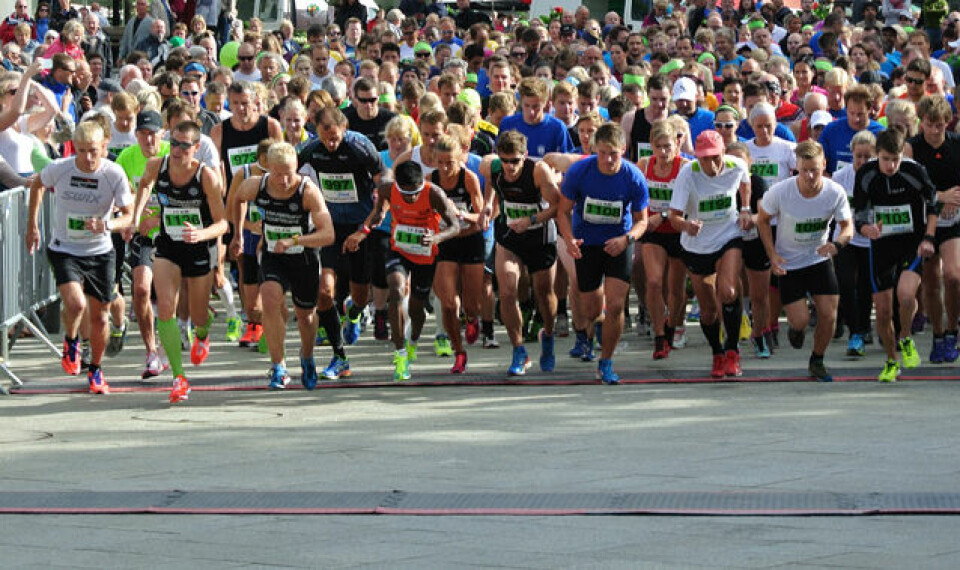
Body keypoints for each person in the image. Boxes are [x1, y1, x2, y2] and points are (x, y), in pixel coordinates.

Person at [26, 121, 132, 395]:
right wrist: (32, 225)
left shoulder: (114, 173)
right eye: (82, 150)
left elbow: (129, 214)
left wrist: (107, 225)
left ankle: (96, 370)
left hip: (100, 252)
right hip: (65, 248)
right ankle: (71, 341)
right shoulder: (62, 168)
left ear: (104, 148)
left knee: (100, 317)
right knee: (75, 304)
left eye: (93, 151)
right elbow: (38, 183)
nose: (87, 158)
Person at [131, 120, 228, 403]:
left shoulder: (206, 176)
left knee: (198, 315)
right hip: (168, 246)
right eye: (174, 143)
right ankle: (178, 377)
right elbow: (145, 187)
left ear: (196, 148)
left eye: (185, 145)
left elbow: (223, 223)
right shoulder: (155, 166)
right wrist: (139, 216)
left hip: (199, 248)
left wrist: (201, 233)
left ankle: (204, 330)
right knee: (166, 310)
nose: (177, 150)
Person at [344, 161, 462, 382]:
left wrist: (436, 238)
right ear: (397, 186)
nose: (411, 199)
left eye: (415, 193)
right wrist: (364, 231)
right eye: (406, 194)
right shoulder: (387, 189)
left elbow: (455, 226)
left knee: (417, 309)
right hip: (399, 249)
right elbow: (378, 213)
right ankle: (399, 355)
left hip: (425, 253)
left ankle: (412, 342)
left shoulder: (434, 193)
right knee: (396, 290)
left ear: (421, 185)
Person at [229, 142, 334, 390]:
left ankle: (307, 357)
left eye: (289, 173)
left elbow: (328, 234)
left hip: (303, 256)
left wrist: (295, 240)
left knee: (305, 316)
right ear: (267, 169)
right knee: (269, 298)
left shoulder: (307, 192)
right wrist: (238, 233)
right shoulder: (256, 185)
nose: (284, 180)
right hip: (273, 254)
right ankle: (278, 366)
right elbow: (238, 199)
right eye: (278, 174)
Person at [298, 106, 386, 379]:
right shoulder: (311, 148)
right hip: (330, 228)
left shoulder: (360, 147)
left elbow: (384, 188)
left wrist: (365, 229)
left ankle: (355, 312)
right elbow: (288, 175)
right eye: (326, 136)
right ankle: (339, 356)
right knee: (324, 292)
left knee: (360, 295)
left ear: (344, 129)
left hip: (360, 227)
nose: (331, 142)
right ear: (317, 129)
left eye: (336, 137)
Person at [557, 123, 649, 384]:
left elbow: (643, 221)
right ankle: (598, 323)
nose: (608, 160)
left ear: (623, 149)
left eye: (614, 154)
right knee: (591, 309)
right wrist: (569, 239)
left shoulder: (633, 176)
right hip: (587, 244)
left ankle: (606, 361)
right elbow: (562, 211)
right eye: (603, 153)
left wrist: (627, 238)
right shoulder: (579, 172)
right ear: (595, 149)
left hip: (618, 243)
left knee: (617, 305)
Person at [757, 141, 853, 382]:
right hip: (789, 263)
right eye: (804, 170)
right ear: (796, 168)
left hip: (818, 258)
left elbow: (847, 227)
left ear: (824, 165)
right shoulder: (781, 191)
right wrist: (772, 254)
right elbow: (762, 220)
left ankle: (817, 359)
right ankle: (796, 329)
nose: (810, 176)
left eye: (815, 170)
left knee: (829, 314)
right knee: (799, 320)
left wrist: (837, 244)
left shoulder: (834, 191)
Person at [853, 129, 938, 382]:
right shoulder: (867, 174)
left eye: (896, 159)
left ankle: (906, 337)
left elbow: (933, 203)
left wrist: (929, 238)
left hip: (911, 244)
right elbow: (859, 213)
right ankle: (891, 360)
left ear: (903, 156)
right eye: (886, 159)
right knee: (882, 310)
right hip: (881, 246)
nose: (890, 165)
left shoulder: (914, 172)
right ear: (877, 155)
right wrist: (866, 228)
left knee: (905, 295)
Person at [668, 130, 753, 379]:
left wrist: (746, 208)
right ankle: (717, 352)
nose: (711, 164)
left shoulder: (735, 165)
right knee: (707, 310)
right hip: (697, 244)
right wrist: (686, 225)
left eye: (715, 157)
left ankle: (732, 352)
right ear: (698, 158)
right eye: (705, 158)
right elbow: (673, 216)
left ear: (723, 153)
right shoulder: (688, 174)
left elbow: (745, 181)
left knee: (728, 291)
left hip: (728, 235)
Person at [479, 130, 562, 376]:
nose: (510, 166)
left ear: (525, 156)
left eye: (515, 161)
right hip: (510, 235)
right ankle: (518, 350)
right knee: (506, 290)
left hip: (540, 234)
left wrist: (532, 219)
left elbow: (558, 206)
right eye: (504, 160)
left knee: (544, 294)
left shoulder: (538, 171)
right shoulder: (490, 167)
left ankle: (547, 334)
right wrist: (487, 205)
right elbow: (490, 181)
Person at [904, 95, 960, 364]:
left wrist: (954, 197)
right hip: (924, 221)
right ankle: (938, 334)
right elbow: (910, 188)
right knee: (930, 282)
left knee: (953, 275)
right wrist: (941, 196)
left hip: (953, 220)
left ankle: (952, 331)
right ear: (921, 123)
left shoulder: (956, 144)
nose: (935, 131)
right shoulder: (912, 148)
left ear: (947, 123)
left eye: (940, 125)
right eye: (930, 125)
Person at [117, 110, 170, 380]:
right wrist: (130, 220)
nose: (149, 139)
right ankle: (151, 351)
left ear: (163, 134)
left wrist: (160, 218)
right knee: (140, 289)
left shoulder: (174, 154)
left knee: (170, 297)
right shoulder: (126, 158)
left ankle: (173, 339)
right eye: (143, 134)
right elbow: (122, 197)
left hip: (173, 232)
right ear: (136, 135)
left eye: (154, 134)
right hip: (143, 234)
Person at [428, 134, 484, 373]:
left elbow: (481, 217)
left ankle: (472, 319)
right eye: (440, 162)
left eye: (449, 162)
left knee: (472, 303)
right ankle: (458, 351)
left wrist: (461, 216)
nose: (445, 167)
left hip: (469, 238)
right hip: (445, 243)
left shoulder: (468, 179)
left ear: (460, 158)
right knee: (449, 303)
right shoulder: (430, 181)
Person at [636, 119, 690, 360]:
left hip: (678, 231)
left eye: (668, 146)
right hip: (654, 233)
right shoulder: (644, 165)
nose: (664, 152)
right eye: (659, 147)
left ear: (676, 145)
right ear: (651, 147)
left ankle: (672, 324)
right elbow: (636, 198)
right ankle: (659, 336)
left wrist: (665, 214)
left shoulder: (686, 167)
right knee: (655, 282)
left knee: (676, 289)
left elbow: (691, 203)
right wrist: (644, 219)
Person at [831, 131, 877, 358]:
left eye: (868, 157)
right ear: (852, 155)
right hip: (846, 237)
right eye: (859, 156)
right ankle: (855, 331)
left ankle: (865, 326)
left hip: (870, 240)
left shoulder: (880, 176)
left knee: (867, 287)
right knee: (846, 283)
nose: (863, 161)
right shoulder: (840, 177)